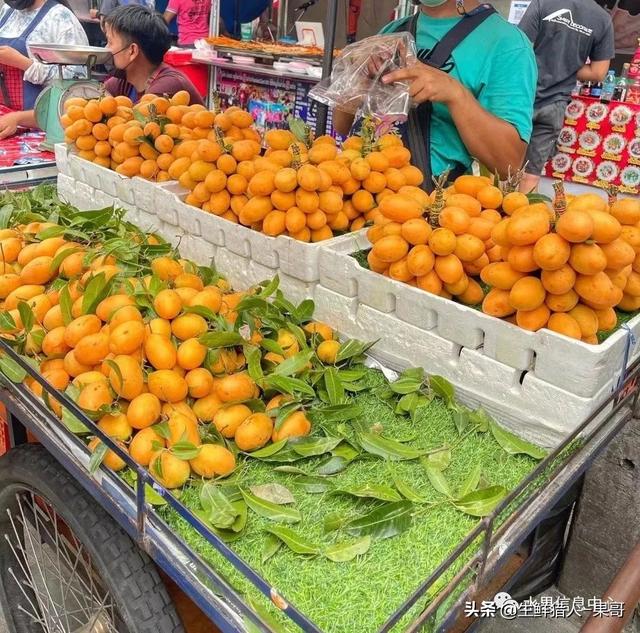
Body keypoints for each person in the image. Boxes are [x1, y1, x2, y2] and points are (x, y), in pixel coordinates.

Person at [333, 0, 537, 189]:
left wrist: (456, 95)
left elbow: (508, 163)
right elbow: (341, 126)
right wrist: (359, 83)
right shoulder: (393, 31)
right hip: (361, 192)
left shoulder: (507, 45)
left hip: (433, 211)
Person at [519, 0, 615, 192]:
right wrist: (568, 66)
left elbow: (519, 47)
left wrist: (545, 58)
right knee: (530, 174)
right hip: (554, 103)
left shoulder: (543, 3)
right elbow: (598, 73)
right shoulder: (603, 19)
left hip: (520, 97)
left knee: (497, 164)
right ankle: (522, 217)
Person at [0, 0, 89, 139]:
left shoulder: (61, 18)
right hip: (6, 123)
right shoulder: (7, 11)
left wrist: (25, 64)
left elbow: (77, 79)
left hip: (45, 127)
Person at [103, 5, 204, 105]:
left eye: (110, 42)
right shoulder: (123, 81)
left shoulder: (167, 85)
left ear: (132, 51)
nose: (106, 49)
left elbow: (137, 119)